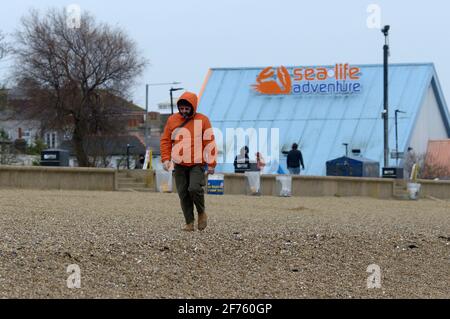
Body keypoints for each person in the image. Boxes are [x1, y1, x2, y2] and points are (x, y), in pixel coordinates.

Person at [160, 91, 216, 232]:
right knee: (183, 193)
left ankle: (201, 213)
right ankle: (189, 223)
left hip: (197, 162)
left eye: (187, 108)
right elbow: (166, 140)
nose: (184, 111)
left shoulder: (203, 120)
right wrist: (166, 159)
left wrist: (212, 163)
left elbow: (210, 142)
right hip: (179, 163)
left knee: (194, 188)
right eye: (182, 108)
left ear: (193, 107)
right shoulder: (172, 120)